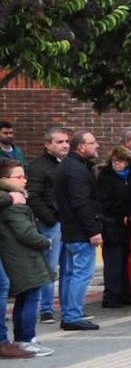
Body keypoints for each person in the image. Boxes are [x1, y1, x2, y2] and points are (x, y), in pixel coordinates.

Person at [0, 160, 54, 358]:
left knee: (25, 295)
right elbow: (24, 231)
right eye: (19, 177)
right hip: (21, 257)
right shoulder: (12, 203)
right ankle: (25, 339)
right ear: (5, 180)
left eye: (24, 176)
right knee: (29, 296)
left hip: (20, 256)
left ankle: (22, 339)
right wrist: (45, 241)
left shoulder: (14, 199)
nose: (24, 181)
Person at [53, 129, 102, 330]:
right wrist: (93, 230)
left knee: (71, 273)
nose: (97, 145)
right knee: (80, 273)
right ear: (81, 147)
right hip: (80, 231)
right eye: (92, 142)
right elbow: (81, 202)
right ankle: (73, 315)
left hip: (71, 229)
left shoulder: (70, 166)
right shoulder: (76, 170)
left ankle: (70, 313)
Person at [27, 127, 69, 324]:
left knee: (68, 267)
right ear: (47, 145)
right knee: (49, 267)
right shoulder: (39, 166)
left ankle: (68, 307)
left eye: (66, 141)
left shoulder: (68, 164)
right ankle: (46, 309)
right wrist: (50, 218)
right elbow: (34, 196)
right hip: (52, 223)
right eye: (59, 142)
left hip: (69, 223)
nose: (65, 145)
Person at [97, 146, 131, 308]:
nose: (116, 164)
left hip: (128, 223)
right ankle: (112, 296)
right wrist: (126, 210)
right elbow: (106, 200)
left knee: (125, 260)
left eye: (120, 161)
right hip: (112, 222)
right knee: (114, 260)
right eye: (114, 161)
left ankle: (124, 293)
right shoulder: (106, 177)